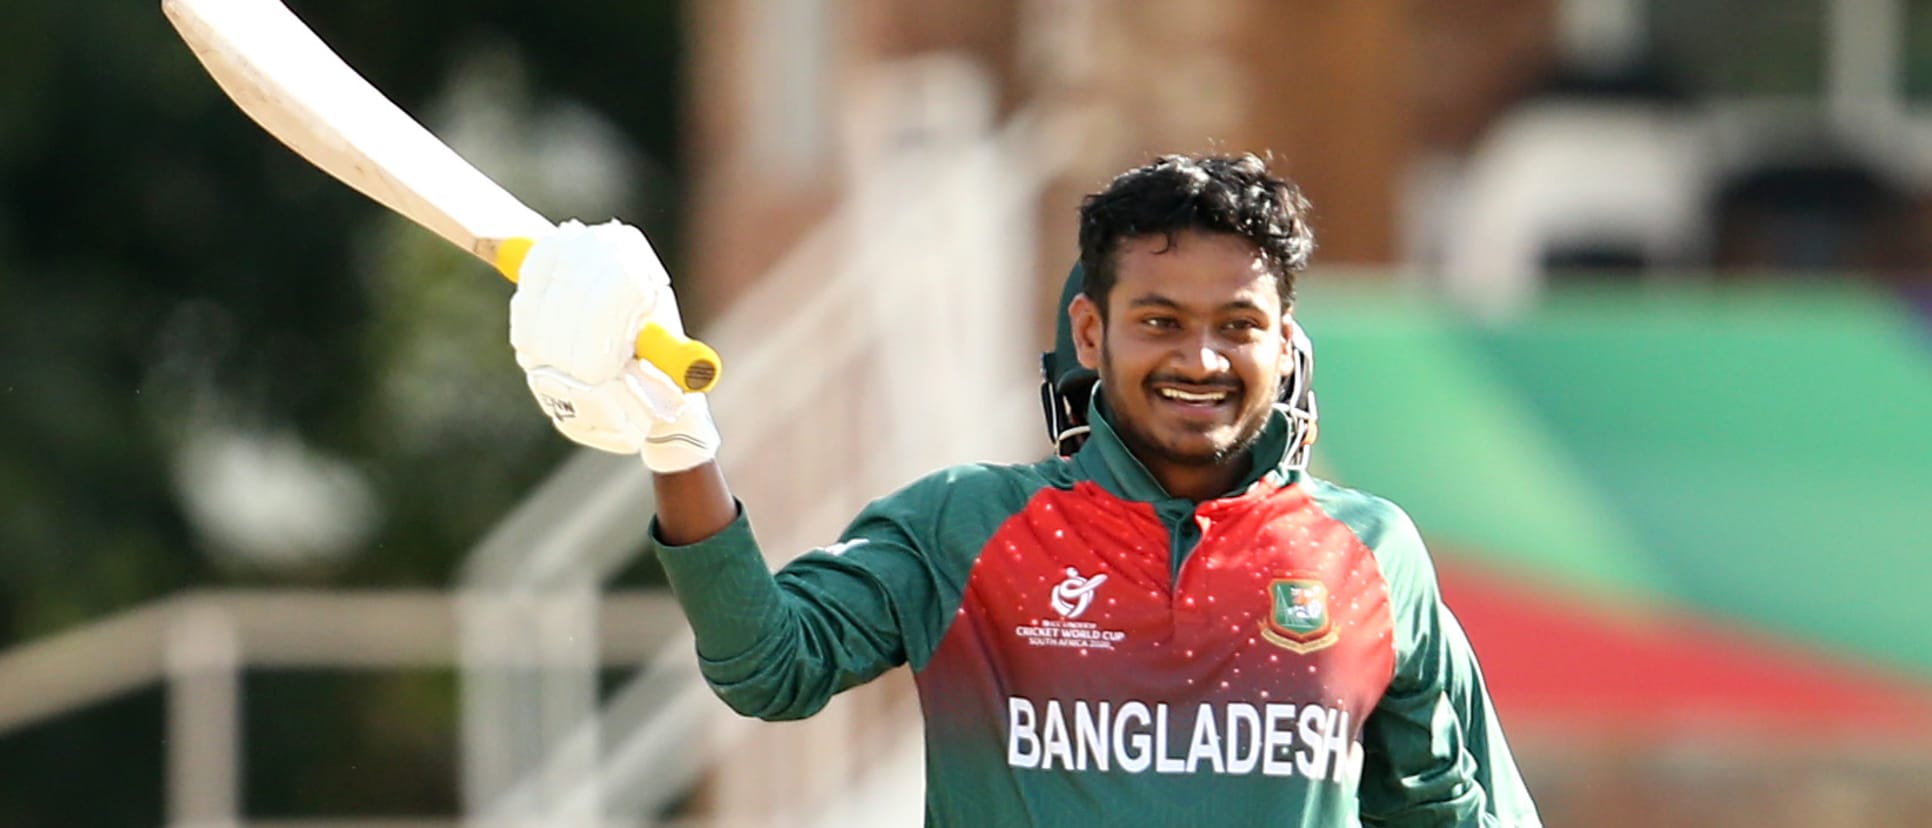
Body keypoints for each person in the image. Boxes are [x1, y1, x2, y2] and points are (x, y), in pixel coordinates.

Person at [507, 153, 1542, 826]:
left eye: (1237, 325)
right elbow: (770, 668)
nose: (1201, 357)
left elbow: (1450, 808)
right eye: (1158, 321)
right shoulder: (966, 525)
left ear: (1287, 342)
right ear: (1091, 334)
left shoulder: (1373, 552)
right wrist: (677, 438)